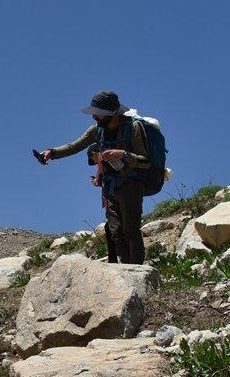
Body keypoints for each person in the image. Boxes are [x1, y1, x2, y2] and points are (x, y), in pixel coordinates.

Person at [37, 91, 151, 264]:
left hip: (132, 184)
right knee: (115, 231)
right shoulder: (97, 130)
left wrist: (124, 154)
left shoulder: (134, 128)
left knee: (130, 230)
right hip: (110, 187)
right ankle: (126, 269)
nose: (94, 116)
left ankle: (137, 271)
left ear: (112, 113)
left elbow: (146, 161)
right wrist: (52, 153)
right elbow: (75, 146)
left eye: (98, 113)